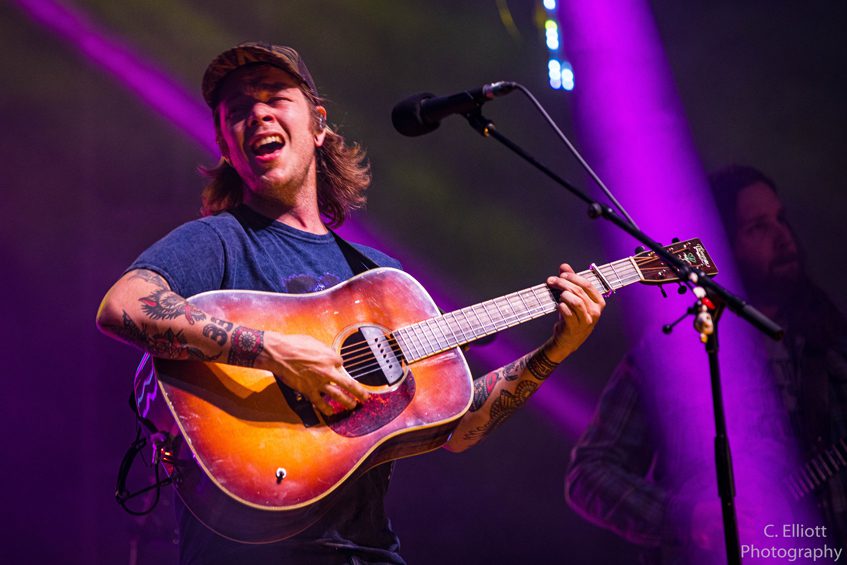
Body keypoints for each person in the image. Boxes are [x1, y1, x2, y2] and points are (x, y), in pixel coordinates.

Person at [96, 42, 606, 564]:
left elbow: (457, 428)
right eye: (238, 111)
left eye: (275, 97)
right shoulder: (219, 241)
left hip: (368, 553)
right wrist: (276, 352)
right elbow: (123, 306)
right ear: (226, 145)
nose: (258, 114)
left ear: (318, 125)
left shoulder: (383, 279)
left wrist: (553, 352)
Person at [565, 165, 847, 563]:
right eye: (758, 227)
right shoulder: (671, 355)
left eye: (781, 219)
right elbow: (590, 472)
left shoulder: (832, 343)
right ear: (723, 244)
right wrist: (687, 518)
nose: (783, 237)